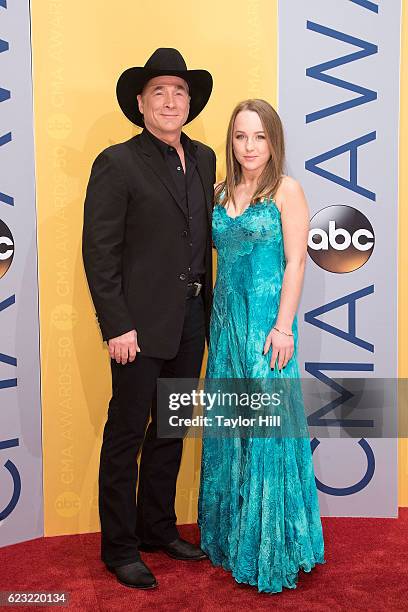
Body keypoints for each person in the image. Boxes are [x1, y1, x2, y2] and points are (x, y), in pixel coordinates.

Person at [82, 48, 216, 589]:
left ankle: (157, 527)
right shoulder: (116, 162)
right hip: (136, 329)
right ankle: (119, 547)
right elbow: (100, 251)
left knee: (172, 430)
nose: (169, 100)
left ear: (190, 103)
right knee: (125, 435)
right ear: (140, 103)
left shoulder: (206, 158)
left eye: (178, 91)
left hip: (192, 322)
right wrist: (117, 325)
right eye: (158, 91)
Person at [198, 99, 325, 593]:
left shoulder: (286, 191)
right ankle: (233, 536)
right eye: (240, 137)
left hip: (266, 328)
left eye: (259, 137)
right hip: (225, 326)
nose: (249, 147)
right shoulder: (218, 192)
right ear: (231, 142)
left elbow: (297, 263)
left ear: (274, 141)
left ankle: (273, 544)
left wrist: (284, 328)